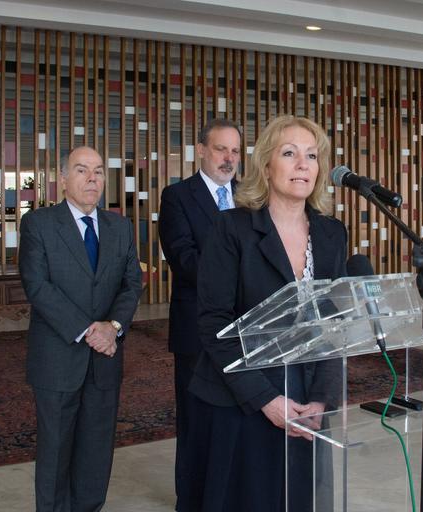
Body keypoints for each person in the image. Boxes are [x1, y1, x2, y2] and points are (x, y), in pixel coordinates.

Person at [185, 116, 346, 511]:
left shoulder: (332, 234)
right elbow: (214, 323)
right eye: (289, 153)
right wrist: (267, 400)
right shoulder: (232, 228)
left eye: (312, 156)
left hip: (306, 401)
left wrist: (322, 400)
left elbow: (334, 324)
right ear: (266, 166)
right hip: (242, 399)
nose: (303, 164)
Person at [19, 146, 142, 512]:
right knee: (55, 453)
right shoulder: (39, 224)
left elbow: (131, 284)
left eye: (99, 171)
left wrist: (113, 327)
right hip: (58, 359)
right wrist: (91, 331)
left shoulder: (120, 227)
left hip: (105, 360)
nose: (92, 179)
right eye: (82, 170)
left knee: (96, 451)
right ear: (63, 178)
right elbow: (37, 286)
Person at [157, 118, 241, 507]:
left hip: (246, 327)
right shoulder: (177, 196)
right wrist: (241, 275)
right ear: (202, 150)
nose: (229, 158)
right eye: (221, 149)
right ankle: (191, 501)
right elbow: (184, 259)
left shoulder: (251, 196)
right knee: (196, 420)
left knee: (237, 416)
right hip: (196, 328)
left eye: (235, 151)